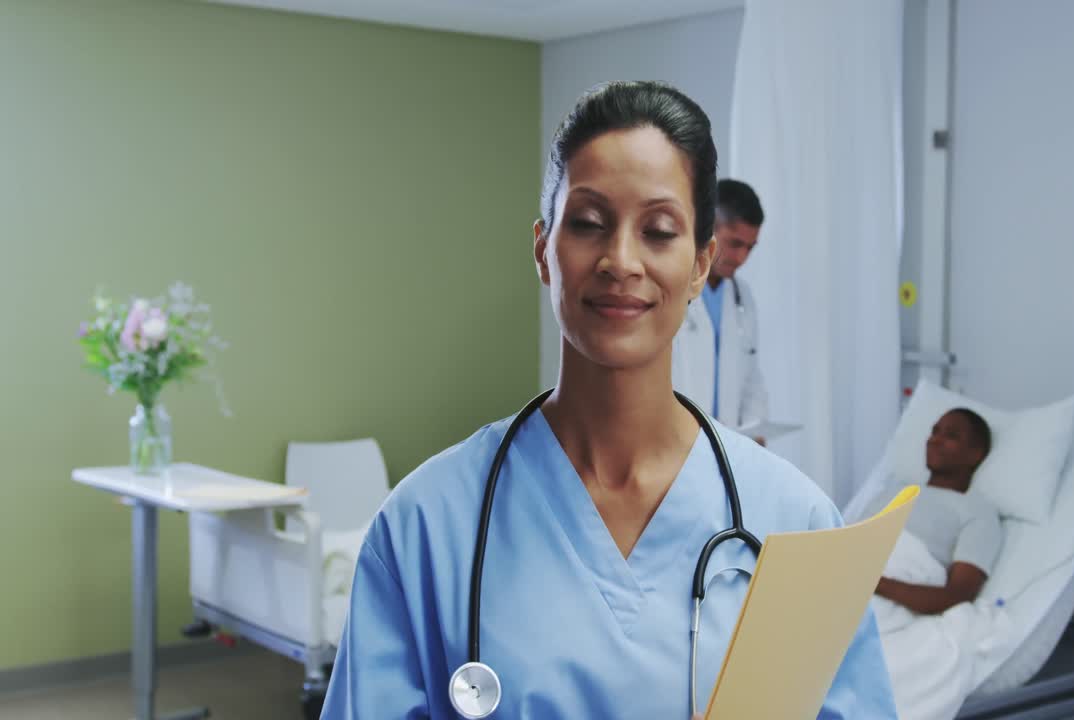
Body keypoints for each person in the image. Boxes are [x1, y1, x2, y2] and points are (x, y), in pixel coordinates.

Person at [319, 81, 897, 719]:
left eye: (658, 231)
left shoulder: (799, 525)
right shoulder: (426, 527)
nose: (621, 260)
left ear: (702, 262)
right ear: (544, 250)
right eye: (589, 224)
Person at [872, 408, 1002, 615]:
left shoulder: (979, 513)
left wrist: (872, 583)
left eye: (951, 435)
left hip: (884, 594)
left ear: (975, 454)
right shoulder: (892, 493)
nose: (934, 440)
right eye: (935, 432)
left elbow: (957, 595)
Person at [671, 179, 769, 439]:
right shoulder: (671, 288)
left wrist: (754, 432)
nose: (742, 258)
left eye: (750, 247)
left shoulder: (742, 297)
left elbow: (751, 380)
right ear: (707, 229)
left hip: (726, 448)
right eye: (735, 244)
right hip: (674, 444)